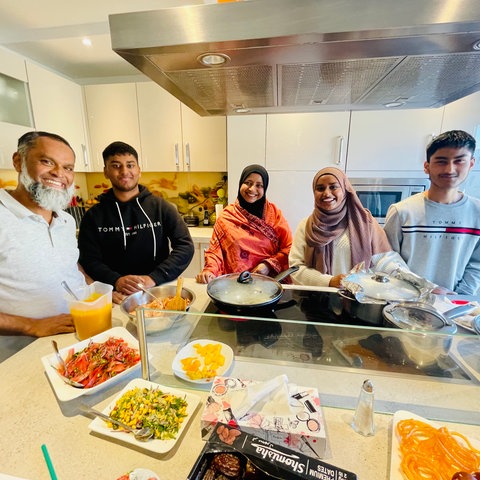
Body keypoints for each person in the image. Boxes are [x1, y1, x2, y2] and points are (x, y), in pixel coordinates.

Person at [78, 141, 195, 303]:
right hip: (115, 296)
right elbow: (88, 259)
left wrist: (153, 278)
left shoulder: (161, 207)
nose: (125, 171)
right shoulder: (93, 216)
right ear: (106, 172)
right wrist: (116, 280)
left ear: (139, 169)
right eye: (116, 165)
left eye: (130, 165)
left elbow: (185, 246)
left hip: (159, 291)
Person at [0, 131, 87, 337]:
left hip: (77, 337)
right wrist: (31, 325)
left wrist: (101, 293)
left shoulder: (66, 220)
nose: (59, 173)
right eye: (47, 162)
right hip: (23, 355)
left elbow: (68, 266)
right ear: (18, 161)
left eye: (68, 168)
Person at [384, 130, 480, 295]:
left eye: (459, 161)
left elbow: (477, 264)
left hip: (456, 306)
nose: (450, 169)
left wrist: (458, 297)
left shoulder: (477, 212)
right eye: (441, 161)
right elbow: (388, 259)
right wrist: (426, 289)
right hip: (405, 301)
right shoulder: (402, 211)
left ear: (471, 163)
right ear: (426, 166)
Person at [289, 167, 406, 287]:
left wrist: (407, 278)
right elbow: (295, 268)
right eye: (320, 188)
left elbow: (385, 260)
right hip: (319, 299)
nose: (327, 193)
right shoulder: (307, 226)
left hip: (358, 299)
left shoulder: (366, 223)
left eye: (333, 187)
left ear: (345, 189)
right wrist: (328, 281)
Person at [196, 164, 292, 284]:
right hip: (235, 287)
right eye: (248, 182)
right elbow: (215, 252)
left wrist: (268, 265)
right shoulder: (226, 217)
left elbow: (289, 248)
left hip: (268, 285)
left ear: (265, 188)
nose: (252, 189)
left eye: (259, 185)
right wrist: (209, 271)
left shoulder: (275, 216)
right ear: (241, 183)